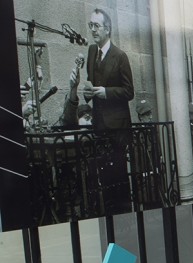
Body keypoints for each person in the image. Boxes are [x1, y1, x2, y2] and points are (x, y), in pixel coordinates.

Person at [84, 8, 134, 215]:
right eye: (91, 26)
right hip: (99, 126)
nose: (93, 30)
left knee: (118, 178)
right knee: (102, 179)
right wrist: (89, 92)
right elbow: (93, 84)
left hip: (117, 130)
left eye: (96, 26)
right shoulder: (91, 52)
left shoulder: (120, 56)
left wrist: (107, 92)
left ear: (108, 29)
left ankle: (124, 221)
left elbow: (129, 91)